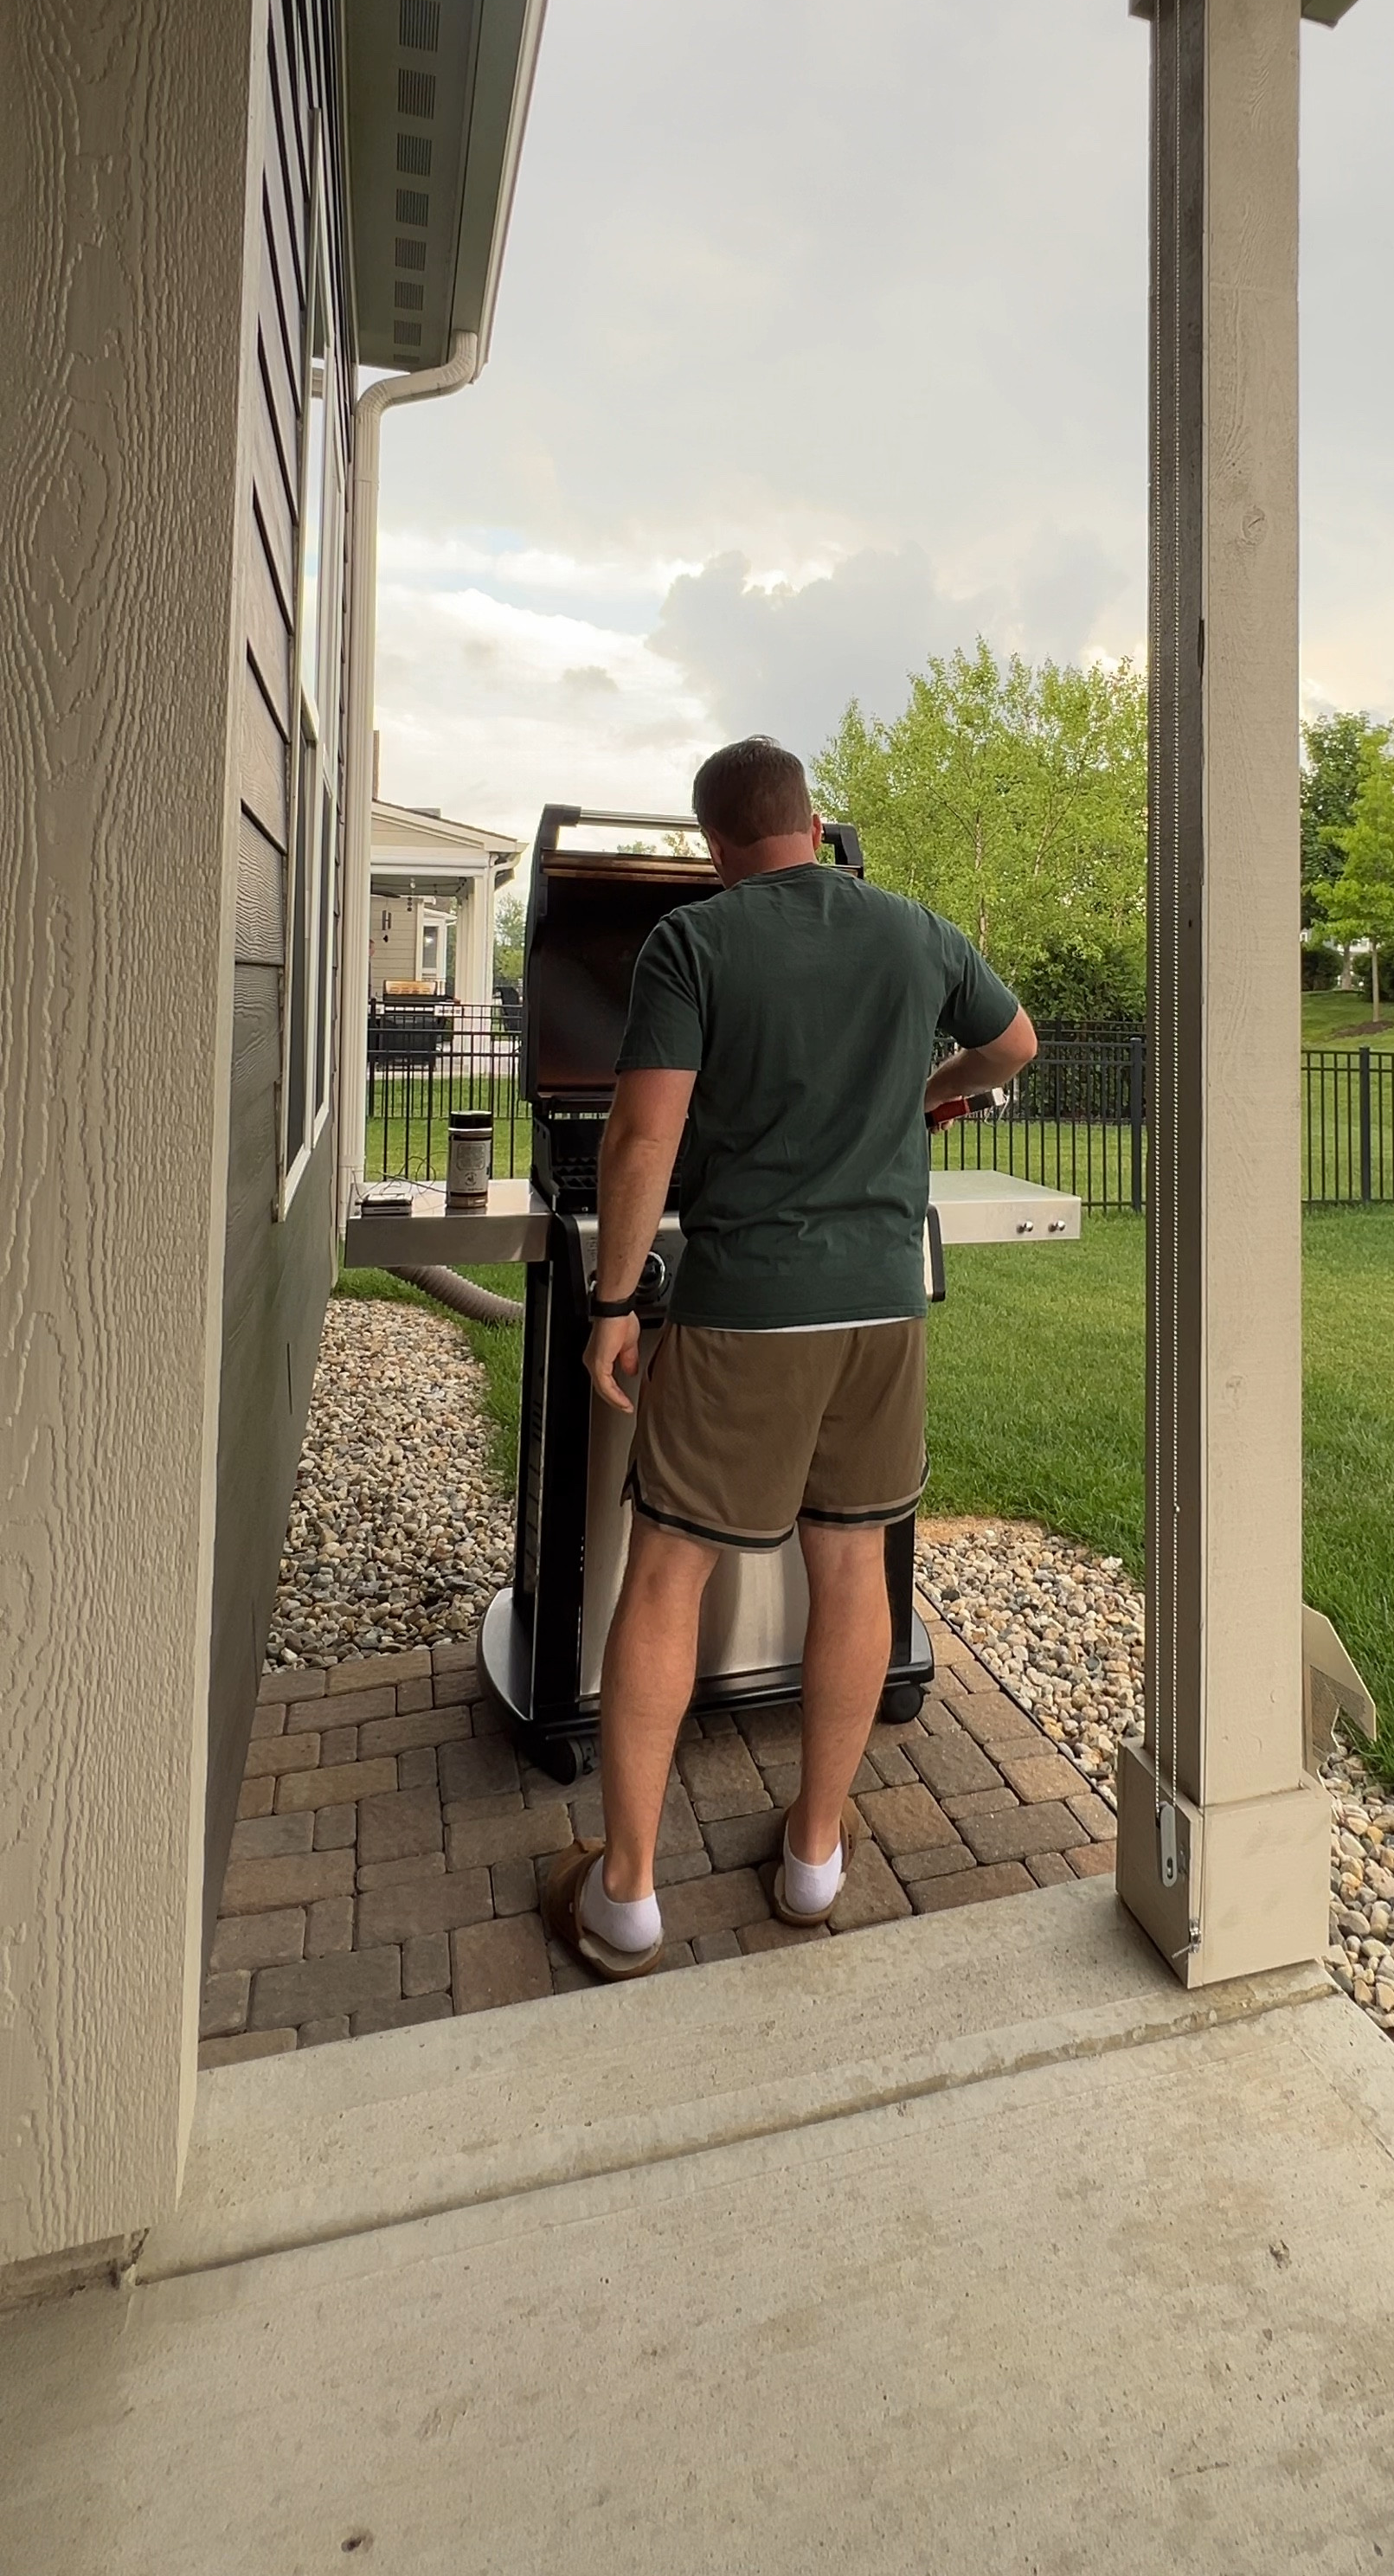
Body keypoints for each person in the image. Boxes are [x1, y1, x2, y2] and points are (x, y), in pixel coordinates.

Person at [542, 734, 1037, 1980]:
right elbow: (1015, 1046)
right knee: (854, 1567)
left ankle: (627, 1899)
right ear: (816, 829)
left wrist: (614, 1302)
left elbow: (643, 1139)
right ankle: (815, 1859)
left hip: (744, 1310)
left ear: (715, 849)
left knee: (665, 1577)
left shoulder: (694, 942)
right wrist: (935, 1090)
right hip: (881, 1309)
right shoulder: (916, 929)